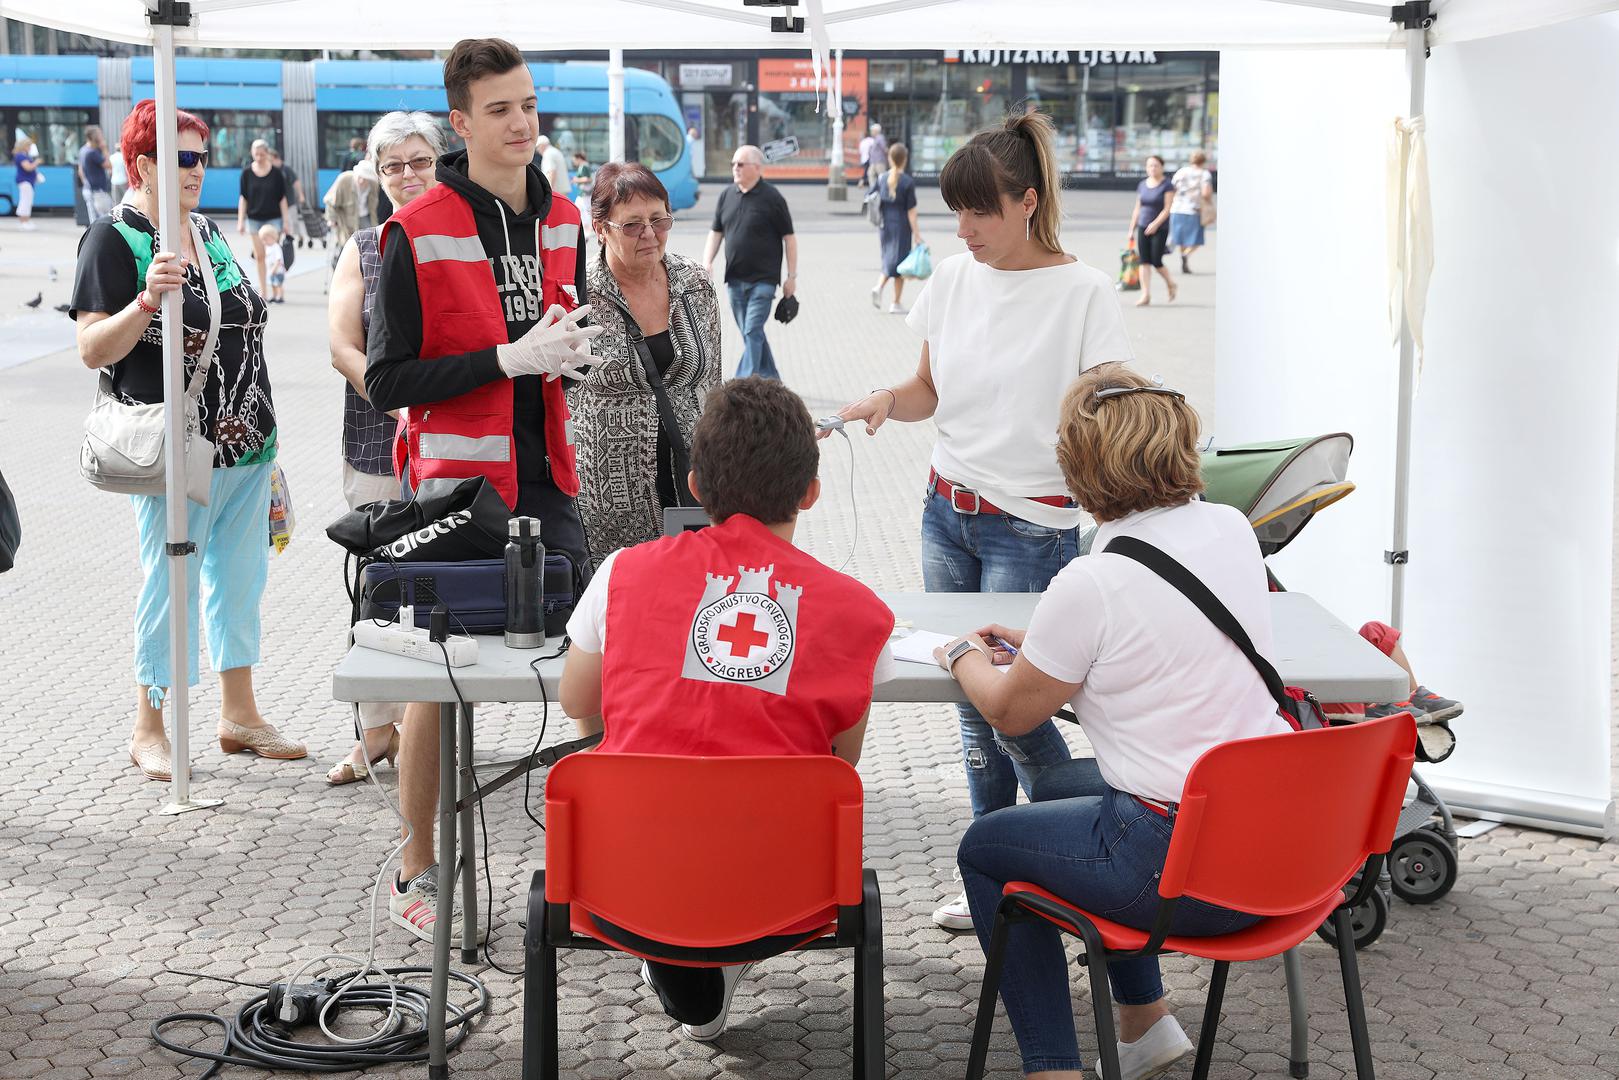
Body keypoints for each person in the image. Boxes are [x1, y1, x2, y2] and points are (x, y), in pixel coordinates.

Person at [826, 111, 1134, 933]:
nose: (963, 230)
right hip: (944, 511)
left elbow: (1104, 406)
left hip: (1029, 527)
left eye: (981, 213)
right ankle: (990, 883)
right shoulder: (954, 279)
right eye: (954, 212)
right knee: (970, 713)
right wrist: (890, 400)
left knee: (1015, 712)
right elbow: (931, 388)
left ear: (1027, 202)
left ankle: (1084, 873)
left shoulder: (1084, 292)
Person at [937, 362, 1289, 1080]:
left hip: (1179, 867)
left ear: (1079, 465)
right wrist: (1049, 650)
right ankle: (1144, 1022)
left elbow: (1007, 708)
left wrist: (961, 654)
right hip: (1280, 846)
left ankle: (1052, 1070)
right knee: (1064, 786)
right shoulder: (1229, 528)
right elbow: (1159, 659)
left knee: (985, 848)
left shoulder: (1092, 580)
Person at [560, 375, 897, 1042]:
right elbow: (840, 763)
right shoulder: (861, 613)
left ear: (694, 486)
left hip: (628, 877)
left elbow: (577, 700)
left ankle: (684, 952)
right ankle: (721, 947)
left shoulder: (622, 572)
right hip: (789, 888)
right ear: (810, 492)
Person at [365, 37, 600, 944]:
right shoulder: (416, 227)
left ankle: (593, 856)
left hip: (550, 484)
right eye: (499, 109)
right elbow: (386, 380)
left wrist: (571, 358)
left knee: (587, 669)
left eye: (529, 105)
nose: (520, 123)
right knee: (440, 683)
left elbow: (563, 341)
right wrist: (505, 359)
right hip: (456, 498)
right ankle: (415, 866)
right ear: (460, 123)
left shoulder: (565, 218)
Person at [71, 99, 305, 783]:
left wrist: (268, 435)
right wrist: (143, 301)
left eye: (203, 156)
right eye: (185, 158)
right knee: (169, 580)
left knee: (239, 582)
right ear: (144, 163)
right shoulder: (114, 237)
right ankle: (148, 726)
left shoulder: (204, 229)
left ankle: (239, 714)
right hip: (178, 445)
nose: (200, 170)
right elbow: (90, 347)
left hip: (248, 441)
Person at [326, 110, 445, 785]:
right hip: (381, 439)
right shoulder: (364, 245)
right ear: (376, 172)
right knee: (376, 586)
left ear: (440, 162)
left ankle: (431, 729)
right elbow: (342, 345)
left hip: (457, 443)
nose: (406, 174)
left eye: (418, 160)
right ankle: (375, 732)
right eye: (393, 164)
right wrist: (397, 402)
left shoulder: (464, 239)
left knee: (445, 588)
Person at [570, 161, 722, 568]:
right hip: (608, 491)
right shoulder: (577, 297)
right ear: (601, 228)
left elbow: (714, 382)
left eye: (660, 220)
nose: (651, 235)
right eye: (633, 225)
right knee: (622, 598)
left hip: (692, 475)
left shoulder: (695, 283)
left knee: (693, 589)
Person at [702, 145, 796, 381]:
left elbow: (790, 239)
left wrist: (791, 277)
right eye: (733, 163)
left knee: (752, 329)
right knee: (750, 334)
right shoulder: (726, 196)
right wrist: (707, 262)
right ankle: (772, 378)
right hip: (734, 279)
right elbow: (716, 232)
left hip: (764, 281)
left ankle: (742, 382)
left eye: (740, 164)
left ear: (757, 167)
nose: (735, 168)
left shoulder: (773, 198)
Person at [868, 142, 919, 314]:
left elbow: (870, 196)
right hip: (902, 227)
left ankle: (879, 287)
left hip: (884, 226)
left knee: (888, 259)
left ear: (890, 158)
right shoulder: (907, 182)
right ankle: (895, 302)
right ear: (904, 159)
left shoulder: (882, 178)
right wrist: (917, 235)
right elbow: (911, 212)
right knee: (900, 265)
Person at [237, 138, 290, 298]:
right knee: (260, 256)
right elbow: (243, 198)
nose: (259, 157)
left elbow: (282, 198)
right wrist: (240, 221)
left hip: (274, 219)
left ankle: (276, 289)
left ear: (267, 154)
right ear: (252, 154)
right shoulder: (246, 173)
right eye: (256, 154)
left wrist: (286, 222)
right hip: (254, 219)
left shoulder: (276, 174)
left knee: (273, 257)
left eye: (262, 154)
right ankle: (263, 290)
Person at [1127, 154, 1176, 306]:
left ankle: (1171, 283)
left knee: (1156, 261)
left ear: (1162, 167)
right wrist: (1131, 228)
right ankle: (1145, 294)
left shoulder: (1167, 185)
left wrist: (1155, 224)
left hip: (1160, 228)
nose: (1153, 168)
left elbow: (1167, 208)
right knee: (1144, 261)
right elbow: (1137, 208)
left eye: (1156, 165)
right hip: (1143, 225)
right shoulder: (1143, 184)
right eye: (1150, 165)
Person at [1168, 149, 1214, 274]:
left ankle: (1184, 261)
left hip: (1177, 208)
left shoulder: (1181, 171)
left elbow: (1172, 188)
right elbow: (1206, 193)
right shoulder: (1204, 174)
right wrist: (1209, 200)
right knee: (1196, 239)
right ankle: (1186, 255)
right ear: (1203, 161)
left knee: (1182, 239)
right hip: (1194, 210)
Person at [324, 159, 380, 253]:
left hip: (364, 215)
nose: (362, 181)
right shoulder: (344, 179)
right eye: (360, 177)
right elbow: (330, 201)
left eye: (365, 179)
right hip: (346, 217)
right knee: (347, 245)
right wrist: (331, 219)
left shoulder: (374, 184)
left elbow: (373, 205)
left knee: (371, 241)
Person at [270, 149, 308, 248]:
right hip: (276, 204)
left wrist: (301, 195)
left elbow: (296, 182)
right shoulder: (271, 170)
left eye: (270, 160)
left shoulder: (286, 169)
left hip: (289, 202)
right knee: (278, 223)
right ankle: (277, 241)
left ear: (276, 158)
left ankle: (300, 237)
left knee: (293, 222)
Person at [78, 126, 113, 219]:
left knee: (93, 219)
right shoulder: (93, 153)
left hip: (88, 189)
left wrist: (86, 183)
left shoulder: (83, 150)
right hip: (97, 191)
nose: (102, 137)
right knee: (106, 218)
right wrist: (104, 148)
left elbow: (80, 171)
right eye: (100, 135)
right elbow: (109, 165)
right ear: (94, 137)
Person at [12, 139, 40, 230]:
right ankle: (23, 222)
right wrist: (36, 162)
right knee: (25, 201)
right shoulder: (21, 156)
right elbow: (28, 167)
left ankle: (26, 221)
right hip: (25, 182)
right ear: (24, 146)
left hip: (27, 182)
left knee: (27, 201)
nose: (29, 148)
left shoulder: (23, 155)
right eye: (28, 146)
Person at [537, 134, 570, 199]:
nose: (538, 150)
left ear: (542, 145)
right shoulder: (555, 151)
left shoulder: (548, 154)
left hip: (556, 191)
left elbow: (551, 172)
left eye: (538, 147)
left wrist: (550, 192)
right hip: (561, 190)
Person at [259, 223, 285, 303]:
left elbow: (279, 260)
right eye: (262, 240)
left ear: (273, 237)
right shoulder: (267, 247)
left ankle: (280, 296)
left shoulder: (276, 247)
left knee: (278, 284)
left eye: (265, 239)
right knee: (273, 284)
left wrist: (275, 268)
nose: (264, 242)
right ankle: (274, 295)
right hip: (271, 271)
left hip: (278, 270)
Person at [858, 121, 888, 189]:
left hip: (879, 161)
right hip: (874, 161)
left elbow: (884, 148)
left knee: (881, 175)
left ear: (876, 131)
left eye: (872, 131)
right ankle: (873, 189)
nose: (871, 132)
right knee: (870, 174)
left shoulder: (880, 138)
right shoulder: (875, 139)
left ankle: (884, 189)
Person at [570, 150, 594, 220]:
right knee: (581, 208)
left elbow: (587, 179)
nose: (574, 162)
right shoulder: (583, 166)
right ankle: (585, 225)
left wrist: (576, 180)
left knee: (585, 209)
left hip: (585, 193)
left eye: (574, 160)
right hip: (583, 193)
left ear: (579, 159)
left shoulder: (584, 166)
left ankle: (588, 226)